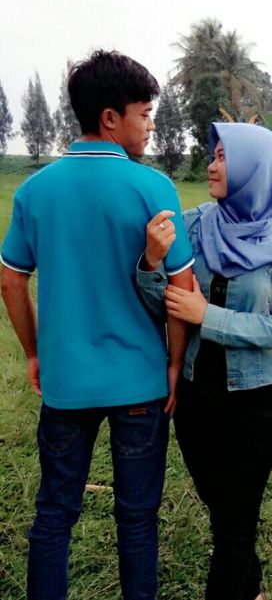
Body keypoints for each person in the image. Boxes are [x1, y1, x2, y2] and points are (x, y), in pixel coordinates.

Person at [0, 50, 194, 600]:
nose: (150, 125)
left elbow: (11, 281)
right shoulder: (153, 188)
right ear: (111, 118)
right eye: (144, 114)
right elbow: (181, 288)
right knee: (137, 520)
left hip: (65, 384)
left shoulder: (34, 191)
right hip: (139, 385)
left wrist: (35, 353)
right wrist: (175, 363)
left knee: (54, 515)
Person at [137, 122, 272, 600]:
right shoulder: (193, 225)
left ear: (257, 170)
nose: (212, 166)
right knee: (223, 507)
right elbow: (166, 303)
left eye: (223, 157)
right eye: (213, 155)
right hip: (196, 390)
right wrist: (151, 265)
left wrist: (207, 315)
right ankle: (250, 587)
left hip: (259, 398)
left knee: (236, 521)